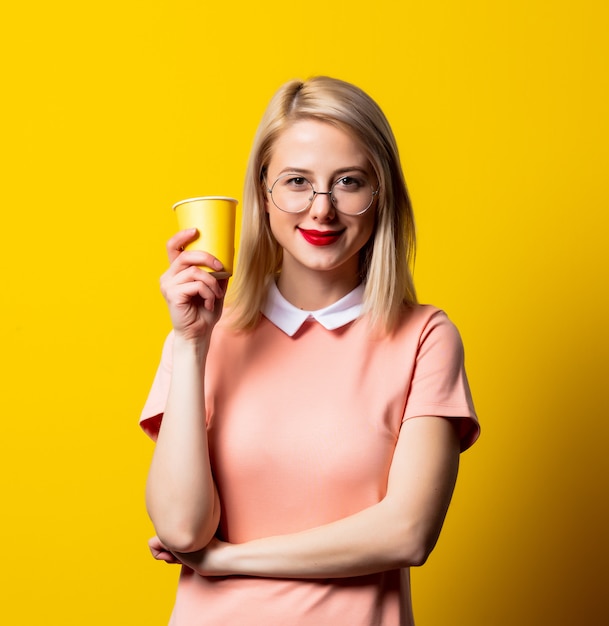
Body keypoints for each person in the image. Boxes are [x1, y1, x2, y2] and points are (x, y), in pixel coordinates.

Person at [140, 75, 479, 626]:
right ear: (264, 194)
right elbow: (181, 528)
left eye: (348, 182)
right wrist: (190, 343)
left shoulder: (424, 338)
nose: (321, 209)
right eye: (297, 181)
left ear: (381, 197)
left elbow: (407, 533)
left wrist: (227, 561)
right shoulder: (205, 335)